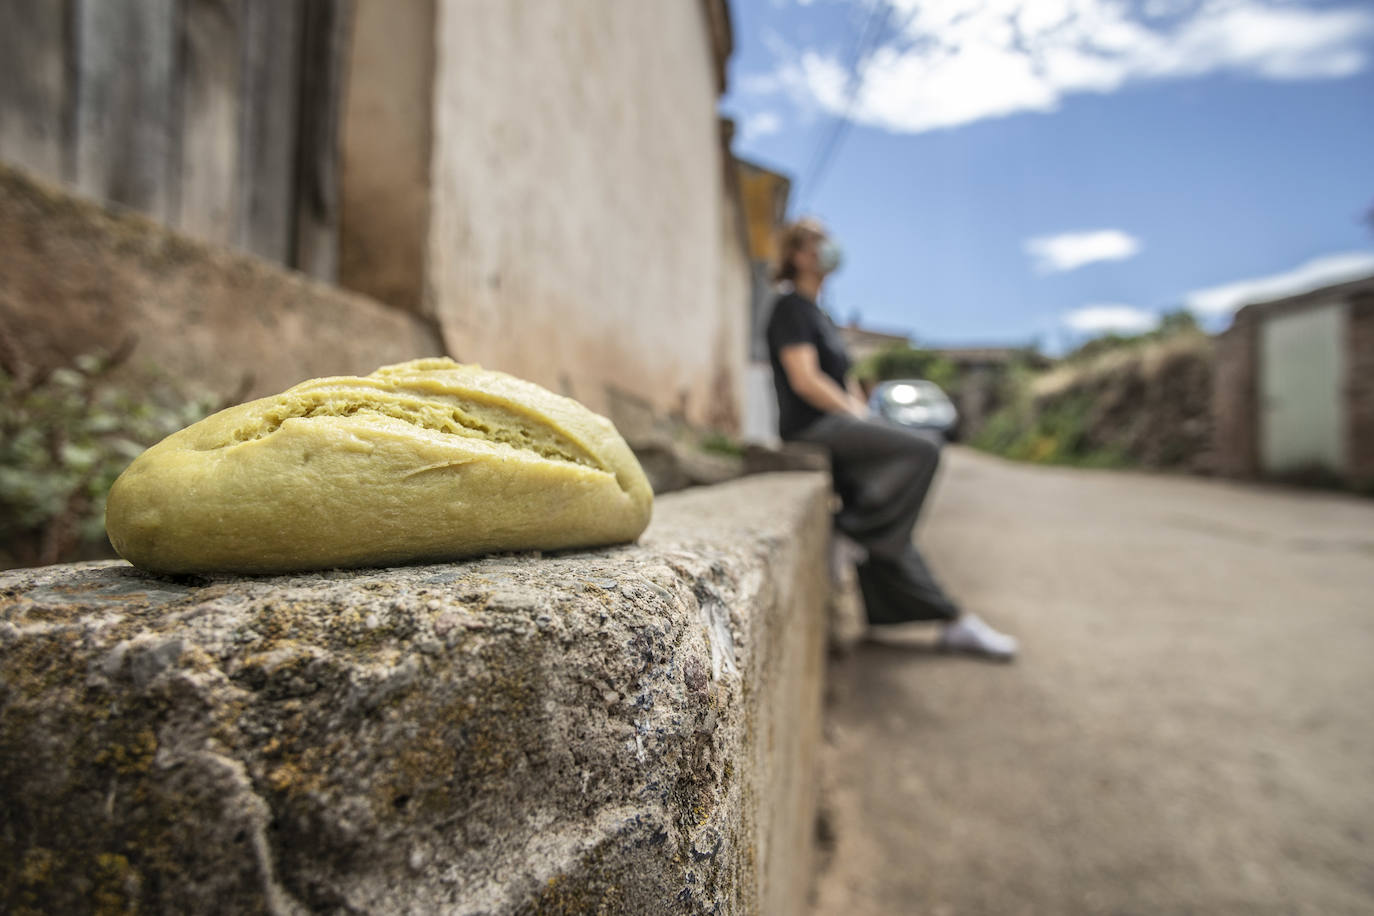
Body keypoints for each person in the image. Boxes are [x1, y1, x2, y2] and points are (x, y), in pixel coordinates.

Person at [765, 218, 1018, 659]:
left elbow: (841, 379)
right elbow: (805, 380)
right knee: (923, 448)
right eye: (816, 242)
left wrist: (859, 413)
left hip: (839, 424)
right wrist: (859, 417)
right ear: (797, 255)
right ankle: (854, 535)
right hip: (813, 429)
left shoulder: (821, 314)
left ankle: (950, 619)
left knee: (888, 531)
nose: (828, 248)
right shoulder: (790, 309)